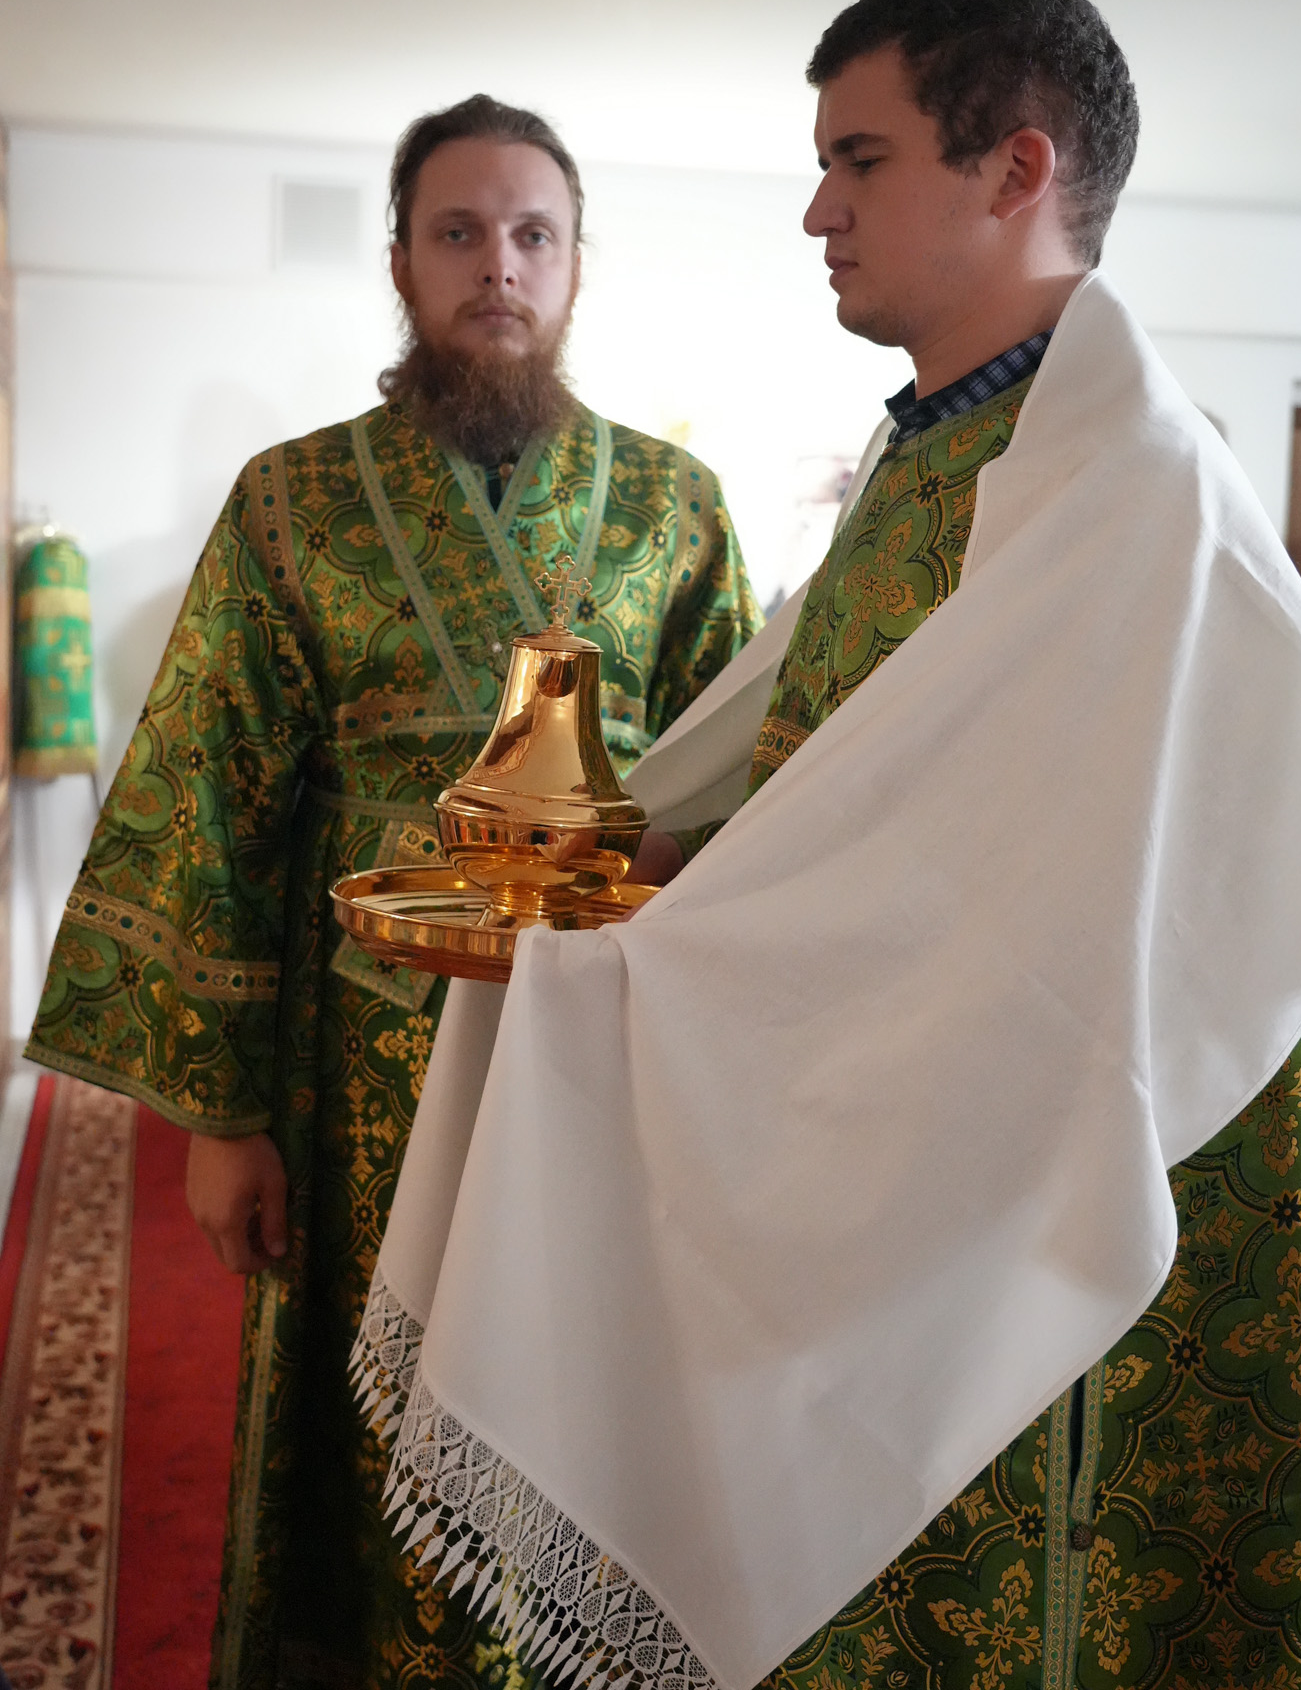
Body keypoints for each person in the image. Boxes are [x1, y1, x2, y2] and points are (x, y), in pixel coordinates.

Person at [355, 0, 1301, 1690]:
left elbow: (1032, 911)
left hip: (1024, 1226)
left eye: (858, 160)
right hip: (911, 1167)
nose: (817, 211)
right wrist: (646, 880)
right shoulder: (941, 454)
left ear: (1014, 168)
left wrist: (653, 958)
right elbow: (845, 792)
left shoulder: (1135, 497)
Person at [25, 93, 761, 1690]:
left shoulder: (675, 506)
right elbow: (207, 802)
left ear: (575, 265)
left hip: (599, 1053)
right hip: (352, 1053)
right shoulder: (288, 500)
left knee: (578, 1383)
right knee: (374, 1398)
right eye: (457, 231)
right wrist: (222, 1120)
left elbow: (740, 790)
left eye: (532, 234)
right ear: (400, 261)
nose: (497, 265)